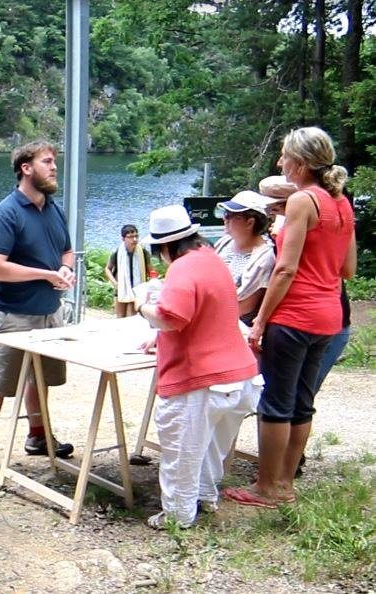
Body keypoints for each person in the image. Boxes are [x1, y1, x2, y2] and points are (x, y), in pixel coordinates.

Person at [224, 127, 356, 509]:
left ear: (299, 164)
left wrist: (261, 321)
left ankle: (266, 488)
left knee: (276, 404)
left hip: (294, 317)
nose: (280, 164)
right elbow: (347, 268)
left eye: (284, 157)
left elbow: (284, 270)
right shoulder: (340, 202)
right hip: (329, 318)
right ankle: (284, 484)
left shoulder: (303, 201)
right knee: (302, 402)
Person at [138, 204, 261, 528]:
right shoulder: (212, 259)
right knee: (211, 449)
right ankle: (205, 497)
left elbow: (170, 317)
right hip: (241, 376)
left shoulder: (182, 267)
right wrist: (160, 336)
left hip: (201, 380)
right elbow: (209, 312)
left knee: (182, 453)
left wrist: (143, 307)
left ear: (164, 246)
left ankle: (178, 517)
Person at [0, 140, 77, 480]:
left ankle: (37, 435)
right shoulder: (7, 212)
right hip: (10, 315)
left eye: (54, 161)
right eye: (47, 161)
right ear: (26, 169)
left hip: (49, 312)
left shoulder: (54, 209)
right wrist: (47, 274)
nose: (54, 167)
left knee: (40, 377)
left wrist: (66, 270)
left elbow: (67, 251)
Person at [213, 191, 276, 327]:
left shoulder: (264, 256)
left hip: (236, 324)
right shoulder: (224, 243)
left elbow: (245, 305)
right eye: (225, 214)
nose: (225, 219)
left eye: (231, 216)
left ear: (250, 222)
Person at [104, 224, 154, 317]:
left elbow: (151, 270)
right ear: (123, 239)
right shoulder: (118, 252)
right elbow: (108, 269)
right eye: (130, 237)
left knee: (132, 317)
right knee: (120, 318)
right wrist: (115, 283)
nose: (134, 239)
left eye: (136, 236)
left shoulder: (142, 251)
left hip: (138, 289)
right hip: (121, 289)